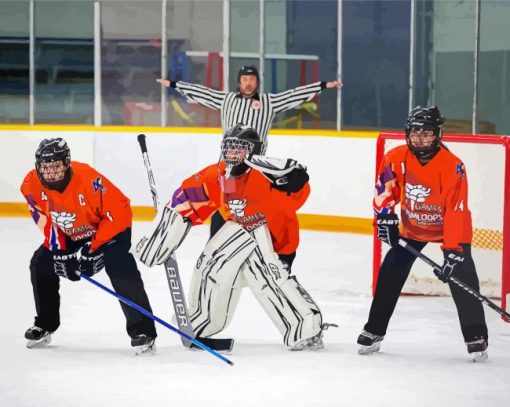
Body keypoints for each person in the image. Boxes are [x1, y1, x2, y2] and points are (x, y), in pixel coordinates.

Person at [134, 124, 328, 350]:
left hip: (276, 245)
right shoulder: (218, 176)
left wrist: (297, 179)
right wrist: (161, 237)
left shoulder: (268, 177)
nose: (232, 154)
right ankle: (202, 321)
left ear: (254, 151)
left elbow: (297, 191)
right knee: (210, 264)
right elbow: (187, 198)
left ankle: (306, 327)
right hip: (242, 237)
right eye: (229, 148)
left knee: (265, 279)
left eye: (239, 148)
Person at [357, 106, 489, 361]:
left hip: (450, 230)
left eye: (426, 133)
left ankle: (476, 336)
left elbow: (456, 211)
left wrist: (453, 251)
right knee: (389, 273)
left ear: (437, 134)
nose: (419, 138)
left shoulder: (453, 166)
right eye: (415, 133)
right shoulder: (396, 156)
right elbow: (384, 191)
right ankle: (374, 330)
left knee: (463, 278)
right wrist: (385, 217)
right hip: (412, 228)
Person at [158, 65, 342, 247]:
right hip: (228, 169)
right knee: (223, 207)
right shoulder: (226, 99)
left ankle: (255, 251)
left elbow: (294, 95)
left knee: (254, 209)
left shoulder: (268, 102)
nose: (248, 83)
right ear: (239, 82)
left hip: (255, 170)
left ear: (257, 82)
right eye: (245, 79)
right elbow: (201, 93)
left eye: (252, 79)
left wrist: (322, 85)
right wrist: (174, 84)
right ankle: (214, 248)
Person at [20, 138, 157, 354]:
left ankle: (143, 330)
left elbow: (119, 212)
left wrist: (93, 248)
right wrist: (59, 250)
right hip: (71, 233)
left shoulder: (90, 180)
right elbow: (44, 219)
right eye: (45, 168)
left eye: (56, 166)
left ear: (67, 163)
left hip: (109, 230)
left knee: (119, 264)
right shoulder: (30, 185)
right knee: (40, 263)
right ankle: (45, 324)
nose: (51, 173)